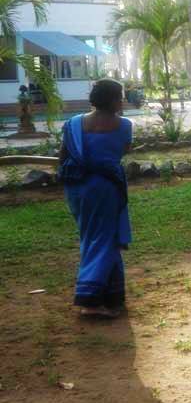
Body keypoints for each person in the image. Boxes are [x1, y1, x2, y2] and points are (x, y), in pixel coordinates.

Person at [58, 79, 133, 318]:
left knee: (92, 237)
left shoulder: (73, 124)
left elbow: (63, 156)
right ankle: (89, 301)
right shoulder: (124, 125)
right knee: (104, 240)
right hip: (105, 189)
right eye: (120, 97)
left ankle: (112, 296)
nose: (122, 101)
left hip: (76, 188)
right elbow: (123, 150)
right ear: (112, 99)